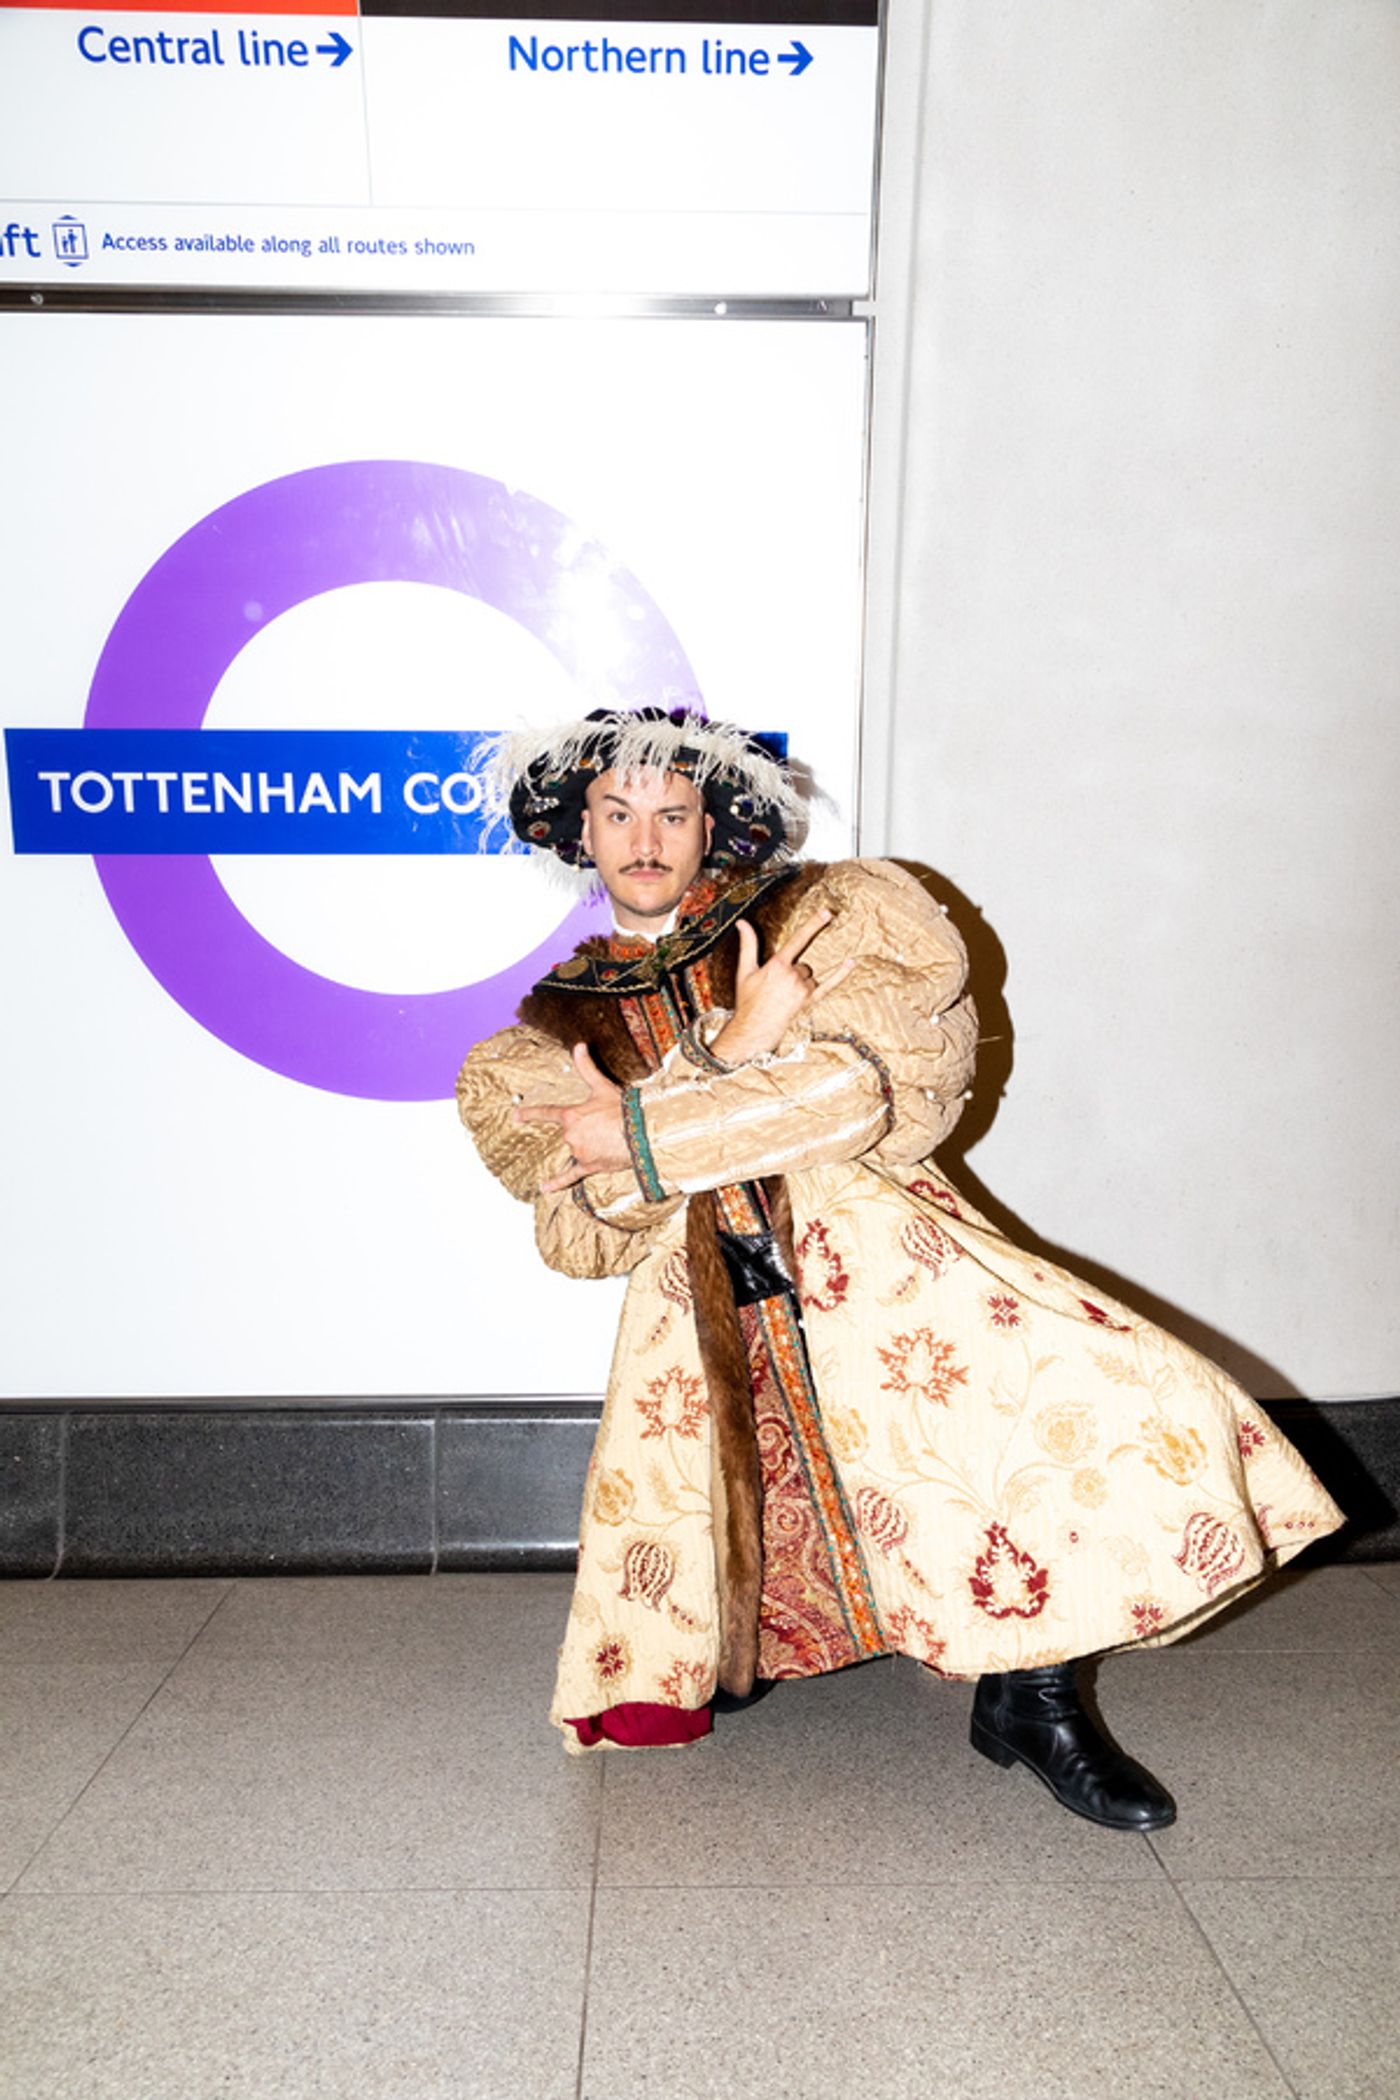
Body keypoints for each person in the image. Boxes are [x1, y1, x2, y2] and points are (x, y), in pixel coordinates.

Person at [456, 706, 1343, 1830]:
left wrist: (633, 1132)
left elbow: (858, 1100)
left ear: (710, 824)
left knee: (1103, 1405)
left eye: (672, 811)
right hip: (695, 1327)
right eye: (617, 812)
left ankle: (1032, 1697)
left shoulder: (822, 921)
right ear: (577, 833)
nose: (645, 836)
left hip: (882, 1262)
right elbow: (580, 1231)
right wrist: (737, 1053)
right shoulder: (529, 1045)